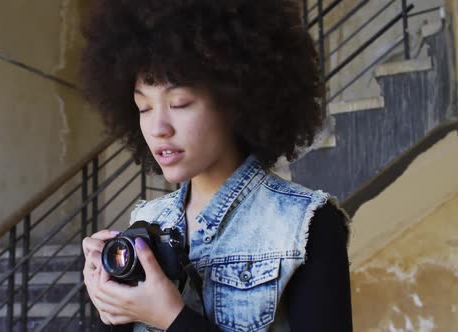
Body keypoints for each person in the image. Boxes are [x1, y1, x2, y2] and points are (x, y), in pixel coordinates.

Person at [80, 0, 353, 331]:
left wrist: (171, 318)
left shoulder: (306, 226)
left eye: (180, 103)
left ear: (236, 99)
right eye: (143, 107)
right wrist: (108, 302)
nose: (158, 129)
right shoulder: (146, 222)